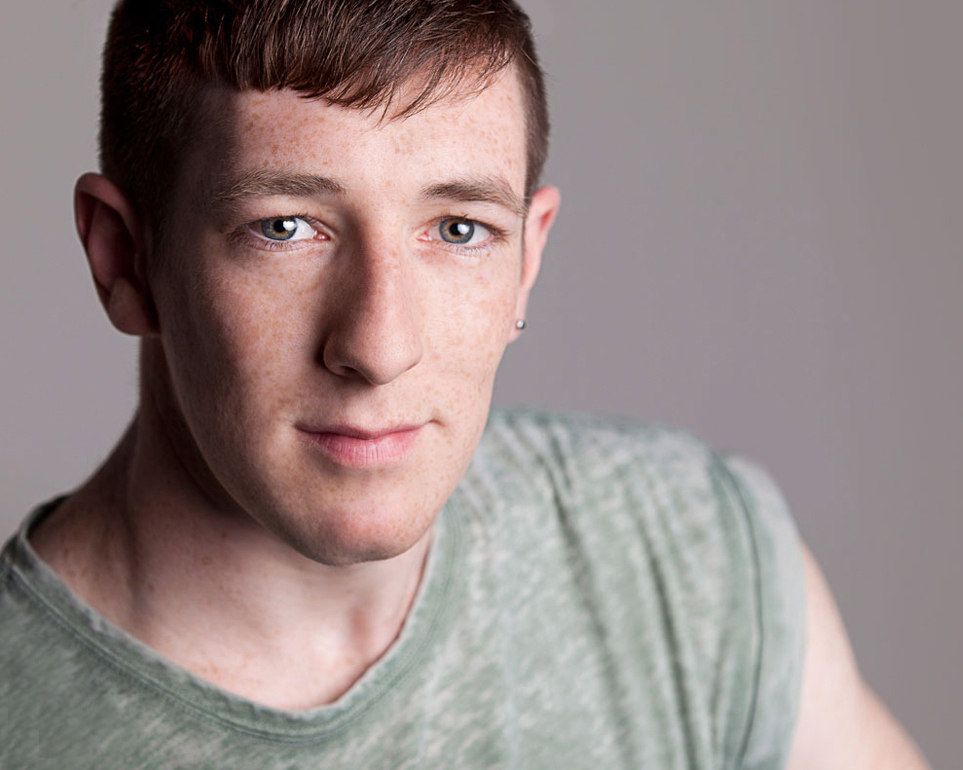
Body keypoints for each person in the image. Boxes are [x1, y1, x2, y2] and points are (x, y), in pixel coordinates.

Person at [0, 1, 930, 767]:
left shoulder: (685, 565)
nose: (379, 346)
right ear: (124, 258)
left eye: (457, 230)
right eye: (285, 227)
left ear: (528, 258)